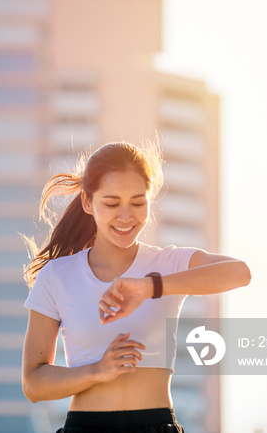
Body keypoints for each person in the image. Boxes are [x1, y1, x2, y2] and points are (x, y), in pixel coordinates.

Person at [21, 141, 251, 433]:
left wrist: (149, 287)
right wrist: (97, 371)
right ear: (87, 202)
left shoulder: (167, 262)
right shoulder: (57, 275)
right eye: (112, 203)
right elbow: (33, 384)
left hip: (156, 426)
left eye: (138, 203)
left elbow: (239, 273)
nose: (126, 216)